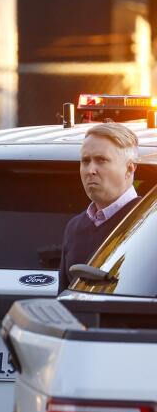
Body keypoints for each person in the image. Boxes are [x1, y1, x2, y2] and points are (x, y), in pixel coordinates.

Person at [59, 122, 143, 290]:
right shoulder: (75, 227)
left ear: (129, 168)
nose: (90, 170)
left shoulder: (148, 223)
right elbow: (64, 301)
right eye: (85, 161)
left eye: (101, 160)